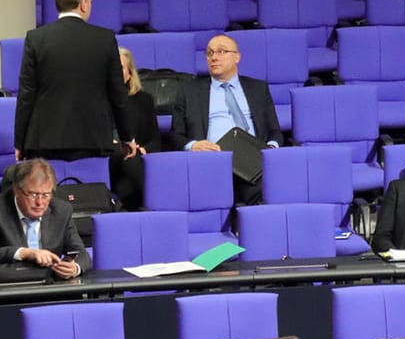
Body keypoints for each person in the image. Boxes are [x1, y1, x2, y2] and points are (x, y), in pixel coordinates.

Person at [15, 0, 137, 162]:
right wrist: (127, 137)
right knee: (89, 191)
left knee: (50, 191)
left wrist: (20, 142)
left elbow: (26, 95)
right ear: (83, 4)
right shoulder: (104, 39)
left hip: (45, 142)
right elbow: (117, 95)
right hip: (93, 141)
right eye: (91, 1)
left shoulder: (35, 39)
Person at [168, 33, 279, 203]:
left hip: (253, 161)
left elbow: (274, 131)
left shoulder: (258, 88)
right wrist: (193, 145)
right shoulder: (188, 91)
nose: (214, 58)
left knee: (268, 187)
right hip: (212, 160)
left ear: (237, 57)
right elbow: (175, 135)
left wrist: (270, 150)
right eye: (210, 53)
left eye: (221, 52)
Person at [0, 158, 90, 282]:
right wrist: (24, 253)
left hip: (52, 287)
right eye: (33, 195)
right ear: (16, 190)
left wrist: (74, 268)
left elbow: (81, 253)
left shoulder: (61, 210)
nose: (40, 202)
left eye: (46, 195)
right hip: (10, 288)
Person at [109, 46, 163, 210]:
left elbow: (155, 141)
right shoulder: (96, 102)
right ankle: (160, 204)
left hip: (135, 163)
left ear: (130, 73)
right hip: (111, 161)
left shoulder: (144, 100)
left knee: (130, 169)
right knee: (129, 162)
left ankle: (131, 207)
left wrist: (142, 150)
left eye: (121, 68)